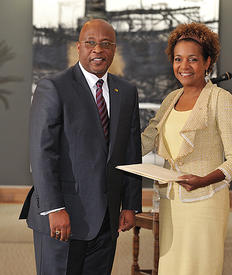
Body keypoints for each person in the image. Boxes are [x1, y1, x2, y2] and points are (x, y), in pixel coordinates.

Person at [19, 19, 142, 275]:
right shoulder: (53, 87)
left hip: (107, 221)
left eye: (106, 44)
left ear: (114, 49)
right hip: (62, 218)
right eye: (91, 43)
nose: (98, 49)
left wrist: (130, 204)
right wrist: (54, 208)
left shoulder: (127, 91)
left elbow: (130, 151)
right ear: (79, 47)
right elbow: (42, 154)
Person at [142, 22, 232, 275]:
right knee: (171, 267)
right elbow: (146, 140)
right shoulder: (170, 99)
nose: (184, 66)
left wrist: (204, 179)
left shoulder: (220, 99)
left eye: (193, 59)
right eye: (178, 59)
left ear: (208, 62)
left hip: (206, 200)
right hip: (171, 202)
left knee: (199, 267)